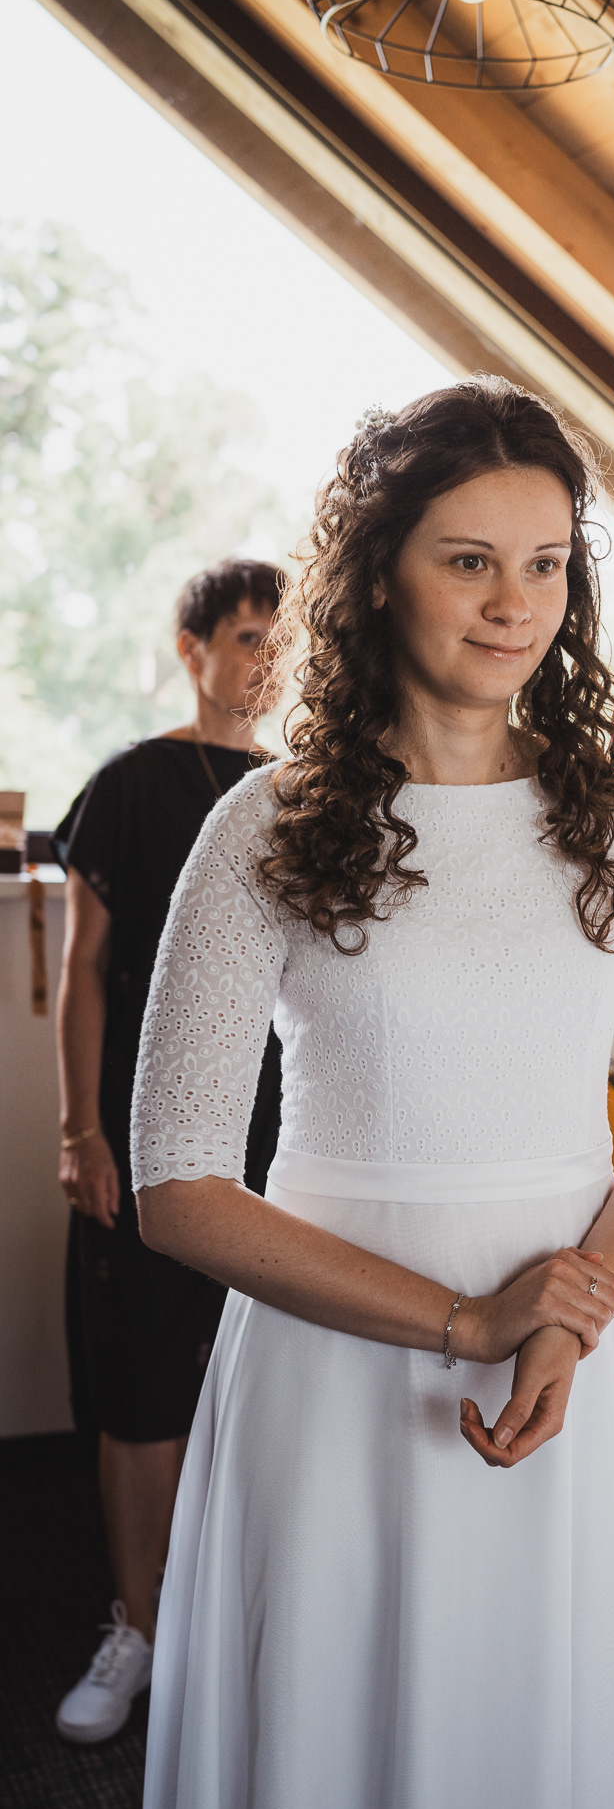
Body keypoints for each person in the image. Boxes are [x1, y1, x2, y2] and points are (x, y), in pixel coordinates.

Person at [128, 380, 614, 1809]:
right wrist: (467, 1321)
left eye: (547, 563)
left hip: (578, 1365)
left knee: (538, 1764)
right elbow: (177, 1186)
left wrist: (568, 1312)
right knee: (330, 1766)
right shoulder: (265, 827)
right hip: (337, 1371)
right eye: (470, 561)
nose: (515, 603)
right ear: (379, 572)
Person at [53, 559, 285, 1744]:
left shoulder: (305, 789)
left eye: (279, 640)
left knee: (262, 1384)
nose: (263, 660)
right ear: (192, 649)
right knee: (139, 1384)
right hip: (141, 1134)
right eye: (244, 636)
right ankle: (139, 1625)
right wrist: (80, 1129)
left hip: (278, 1134)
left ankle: (242, 1628)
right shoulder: (133, 784)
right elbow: (84, 970)